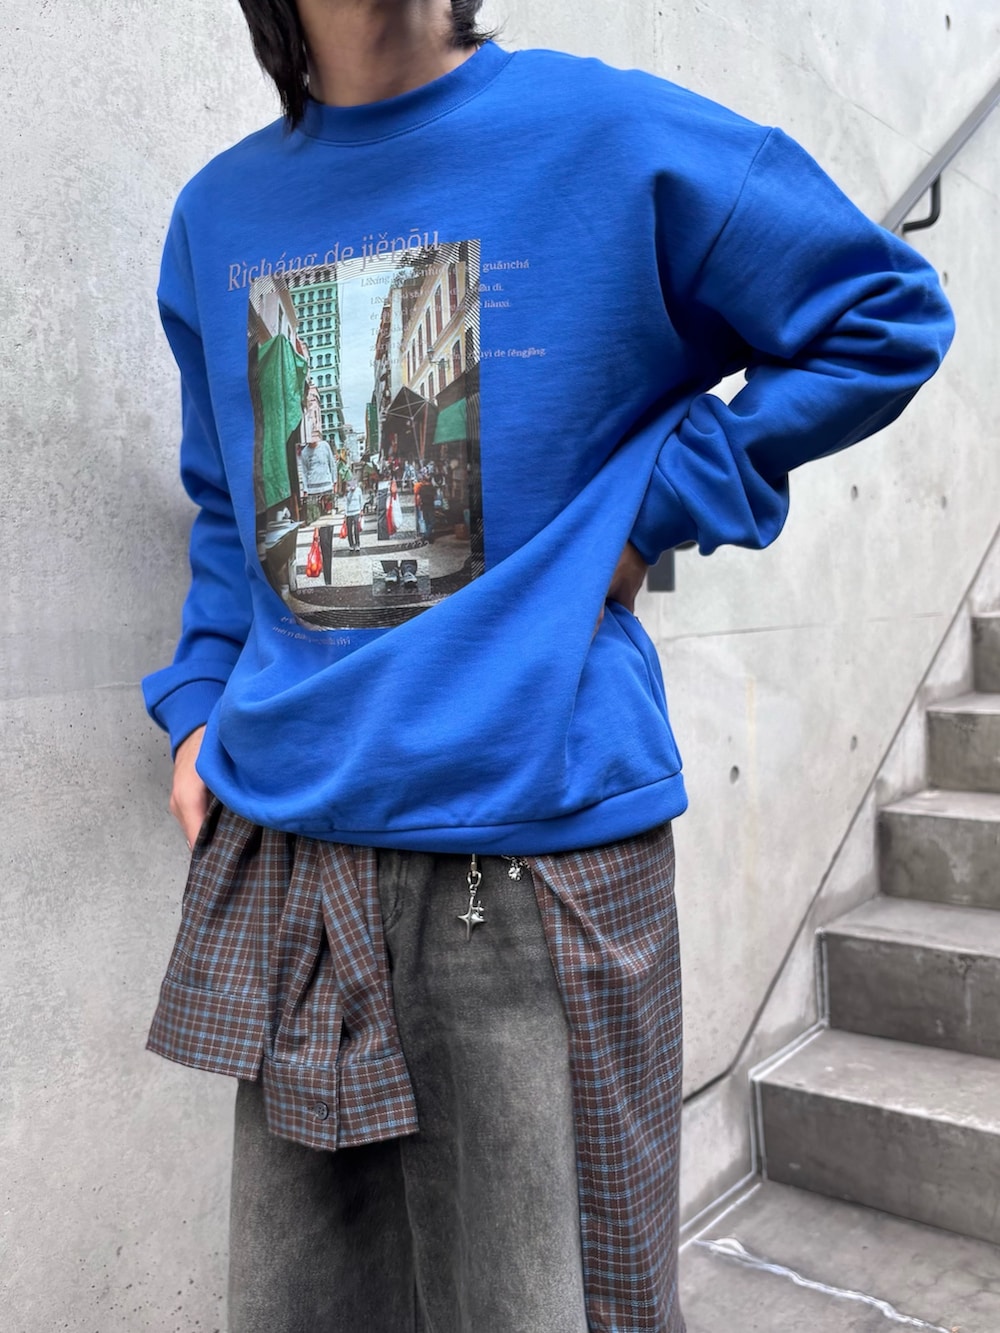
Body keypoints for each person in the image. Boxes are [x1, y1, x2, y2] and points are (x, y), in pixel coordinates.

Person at [142, 3, 954, 1330]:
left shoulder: (608, 136)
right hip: (292, 852)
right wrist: (196, 705)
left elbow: (880, 312)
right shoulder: (216, 214)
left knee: (565, 1307)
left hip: (537, 859)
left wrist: (654, 509)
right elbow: (231, 509)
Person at [298, 434, 337, 522]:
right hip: (312, 491)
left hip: (327, 488)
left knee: (329, 519)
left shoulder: (325, 446)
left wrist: (335, 483)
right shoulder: (304, 452)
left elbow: (332, 464)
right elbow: (304, 473)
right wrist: (305, 490)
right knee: (316, 520)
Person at [343, 476, 363, 553]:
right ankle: (351, 544)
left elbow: (361, 500)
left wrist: (361, 509)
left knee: (356, 529)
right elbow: (346, 503)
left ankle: (357, 544)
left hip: (356, 512)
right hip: (349, 513)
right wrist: (345, 513)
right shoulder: (348, 492)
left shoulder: (358, 490)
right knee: (349, 530)